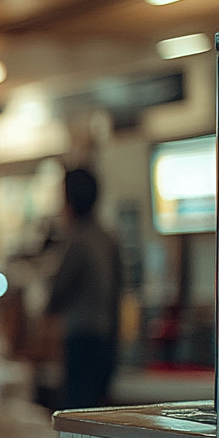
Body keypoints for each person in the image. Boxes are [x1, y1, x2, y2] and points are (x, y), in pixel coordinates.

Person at [46, 167, 122, 409]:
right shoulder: (108, 239)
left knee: (76, 412)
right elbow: (119, 291)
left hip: (81, 338)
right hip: (107, 339)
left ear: (70, 200)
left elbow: (59, 291)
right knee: (97, 413)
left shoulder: (77, 241)